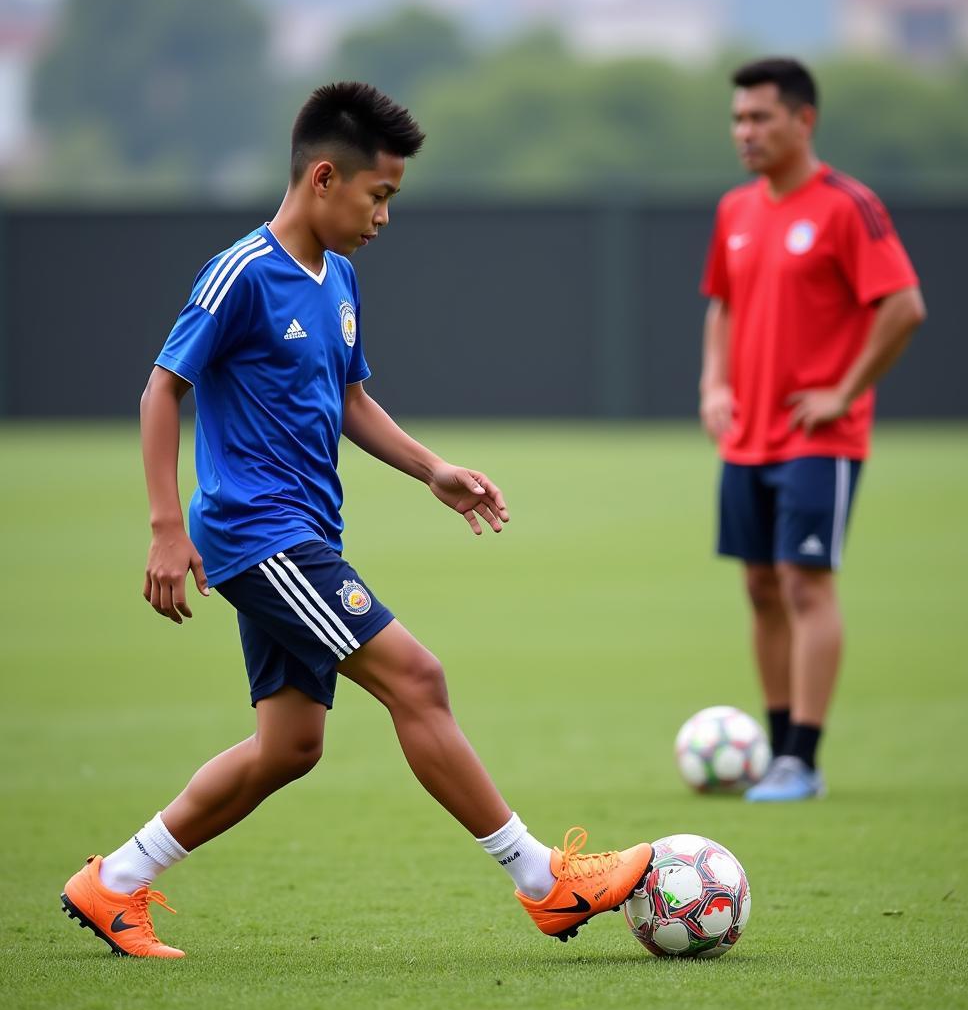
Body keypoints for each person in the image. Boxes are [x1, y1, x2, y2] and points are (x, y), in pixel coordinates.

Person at [61, 82, 652, 958]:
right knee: (417, 679)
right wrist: (161, 525)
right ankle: (545, 883)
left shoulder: (338, 279)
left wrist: (432, 471)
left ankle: (112, 884)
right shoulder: (240, 273)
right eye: (380, 197)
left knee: (290, 745)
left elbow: (347, 397)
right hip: (257, 533)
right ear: (325, 178)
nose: (384, 218)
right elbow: (161, 389)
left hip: (304, 535)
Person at [698, 58, 926, 802]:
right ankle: (778, 748)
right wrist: (714, 385)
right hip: (748, 435)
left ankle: (804, 756)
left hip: (817, 439)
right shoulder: (736, 209)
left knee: (804, 583)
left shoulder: (846, 205)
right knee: (761, 585)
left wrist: (844, 391)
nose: (746, 132)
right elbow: (721, 307)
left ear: (804, 120)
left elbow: (903, 306)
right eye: (738, 119)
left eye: (761, 117)